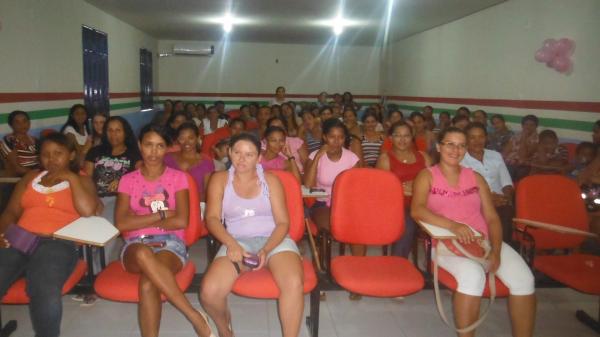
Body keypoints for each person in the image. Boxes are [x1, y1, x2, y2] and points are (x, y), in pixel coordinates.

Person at [411, 127, 536, 337]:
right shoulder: (427, 176)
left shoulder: (476, 177)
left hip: (482, 242)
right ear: (439, 147)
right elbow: (417, 210)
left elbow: (492, 218)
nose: (455, 149)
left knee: (524, 279)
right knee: (473, 275)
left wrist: (495, 251)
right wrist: (453, 226)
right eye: (450, 144)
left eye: (461, 145)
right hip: (445, 244)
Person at [200, 133, 304, 337]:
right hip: (237, 241)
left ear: (259, 158)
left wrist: (266, 249)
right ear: (229, 153)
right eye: (237, 152)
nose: (241, 159)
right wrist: (232, 245)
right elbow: (212, 218)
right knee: (209, 292)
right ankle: (225, 331)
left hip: (274, 240)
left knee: (293, 282)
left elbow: (283, 223)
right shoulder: (219, 179)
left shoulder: (271, 181)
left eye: (249, 154)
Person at [115, 124, 213, 337]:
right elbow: (121, 224)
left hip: (170, 243)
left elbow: (181, 221)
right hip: (135, 246)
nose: (153, 152)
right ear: (140, 146)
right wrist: (161, 215)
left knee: (149, 284)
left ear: (167, 149)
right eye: (149, 145)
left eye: (160, 146)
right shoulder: (127, 180)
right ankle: (194, 316)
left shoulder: (178, 178)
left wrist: (138, 220)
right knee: (143, 252)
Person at [0, 133, 98, 337]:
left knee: (44, 287)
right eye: (45, 155)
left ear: (71, 155)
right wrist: (2, 232)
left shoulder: (81, 180)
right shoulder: (30, 178)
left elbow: (88, 210)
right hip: (20, 238)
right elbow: (10, 212)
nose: (51, 159)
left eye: (58, 154)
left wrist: (71, 177)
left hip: (57, 242)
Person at [84, 116, 142, 265]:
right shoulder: (95, 151)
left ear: (125, 133)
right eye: (110, 130)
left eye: (118, 130)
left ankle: (97, 269)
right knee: (85, 227)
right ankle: (84, 265)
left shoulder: (133, 154)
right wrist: (94, 200)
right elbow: (86, 178)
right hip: (93, 196)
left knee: (108, 226)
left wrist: (123, 182)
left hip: (119, 199)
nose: (113, 134)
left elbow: (143, 176)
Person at [305, 118, 360, 255]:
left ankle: (359, 263)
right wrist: (318, 156)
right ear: (324, 137)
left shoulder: (351, 158)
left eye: (341, 137)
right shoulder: (314, 156)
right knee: (327, 227)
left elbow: (357, 186)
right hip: (321, 202)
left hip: (346, 203)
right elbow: (308, 184)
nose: (336, 141)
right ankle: (325, 267)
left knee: (357, 226)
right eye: (332, 137)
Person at [376, 121, 431, 257]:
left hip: (425, 201)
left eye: (406, 136)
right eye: (398, 136)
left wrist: (417, 188)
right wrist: (399, 190)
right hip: (397, 204)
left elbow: (435, 182)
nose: (402, 140)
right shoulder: (385, 159)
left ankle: (439, 263)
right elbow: (380, 190)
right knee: (407, 223)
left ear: (412, 137)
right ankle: (398, 263)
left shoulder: (423, 156)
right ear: (391, 138)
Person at [461, 122, 515, 243]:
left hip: (500, 201)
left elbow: (506, 182)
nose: (477, 141)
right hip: (475, 202)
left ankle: (503, 249)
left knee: (507, 211)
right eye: (472, 137)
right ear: (466, 139)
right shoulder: (460, 159)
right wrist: (488, 199)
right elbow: (464, 189)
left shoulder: (495, 155)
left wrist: (506, 198)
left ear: (486, 138)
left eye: (481, 137)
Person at [165, 122, 215, 202]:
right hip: (171, 204)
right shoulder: (167, 158)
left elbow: (207, 192)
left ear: (198, 138)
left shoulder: (206, 162)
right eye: (182, 138)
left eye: (190, 138)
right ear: (177, 139)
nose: (186, 142)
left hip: (197, 205)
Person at [0, 110, 40, 176]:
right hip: (19, 178)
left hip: (36, 174)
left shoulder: (35, 140)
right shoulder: (9, 141)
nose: (22, 124)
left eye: (25, 121)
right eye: (17, 122)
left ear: (29, 122)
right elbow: (17, 168)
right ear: (11, 125)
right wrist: (38, 175)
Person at [502, 115, 539, 181]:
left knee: (511, 172)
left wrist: (524, 138)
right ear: (522, 125)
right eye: (526, 124)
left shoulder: (537, 139)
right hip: (509, 162)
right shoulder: (516, 136)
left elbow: (523, 156)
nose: (528, 127)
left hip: (522, 165)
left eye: (531, 125)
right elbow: (505, 151)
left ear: (536, 127)